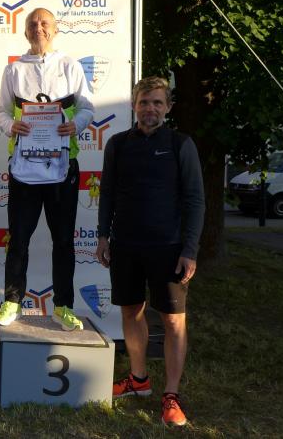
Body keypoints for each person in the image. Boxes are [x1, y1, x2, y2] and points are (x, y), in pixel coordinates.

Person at [95, 76, 204, 426]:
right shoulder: (117, 144)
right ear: (133, 105)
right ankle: (138, 379)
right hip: (125, 244)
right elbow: (107, 194)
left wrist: (190, 249)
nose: (150, 108)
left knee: (173, 321)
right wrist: (103, 236)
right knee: (131, 311)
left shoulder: (180, 144)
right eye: (144, 102)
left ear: (168, 107)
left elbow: (195, 200)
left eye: (157, 102)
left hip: (169, 247)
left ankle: (171, 395)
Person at [0, 7, 94, 330]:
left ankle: (63, 306)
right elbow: (1, 112)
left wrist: (76, 124)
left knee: (63, 240)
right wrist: (11, 126)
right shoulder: (14, 70)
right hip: (24, 168)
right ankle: (12, 302)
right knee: (18, 239)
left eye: (45, 23)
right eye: (33, 23)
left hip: (62, 167)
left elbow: (87, 108)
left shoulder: (69, 66)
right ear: (25, 31)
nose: (39, 27)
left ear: (55, 30)